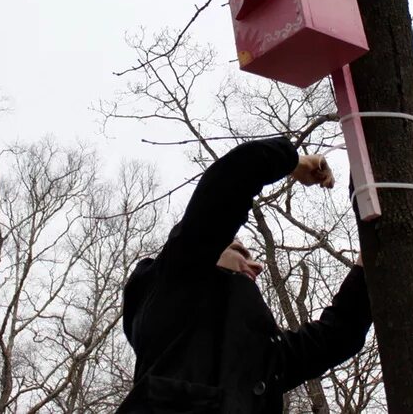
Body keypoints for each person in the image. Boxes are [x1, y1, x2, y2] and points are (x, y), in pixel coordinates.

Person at [116, 136, 372, 414]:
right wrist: (292, 162)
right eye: (240, 251)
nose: (259, 265)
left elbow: (338, 335)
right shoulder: (176, 279)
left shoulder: (263, 357)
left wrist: (368, 262)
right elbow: (229, 181)